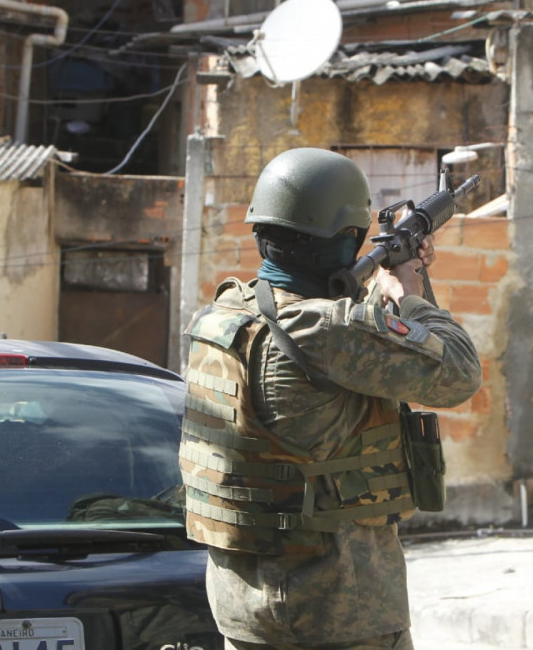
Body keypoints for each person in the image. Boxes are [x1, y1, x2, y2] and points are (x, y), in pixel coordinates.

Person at [178, 147, 482, 650]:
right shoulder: (329, 332)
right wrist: (407, 290)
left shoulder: (226, 314)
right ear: (347, 238)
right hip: (336, 606)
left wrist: (389, 280)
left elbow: (340, 342)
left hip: (244, 608)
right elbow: (457, 372)